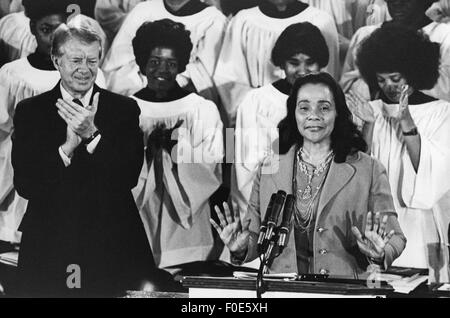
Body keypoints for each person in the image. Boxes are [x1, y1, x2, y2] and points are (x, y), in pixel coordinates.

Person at [11, 25, 173, 297]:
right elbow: (26, 184)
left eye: (92, 60)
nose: (84, 69)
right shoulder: (31, 111)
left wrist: (92, 135)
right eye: (75, 60)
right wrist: (66, 149)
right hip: (49, 243)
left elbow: (128, 176)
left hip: (111, 242)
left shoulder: (124, 109)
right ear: (56, 61)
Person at [212, 72, 406, 277]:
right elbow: (254, 236)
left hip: (343, 290)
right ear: (293, 113)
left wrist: (379, 253)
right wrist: (241, 247)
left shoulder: (368, 169)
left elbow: (396, 238)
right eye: (304, 108)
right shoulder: (269, 167)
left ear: (338, 113)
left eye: (324, 107)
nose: (314, 115)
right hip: (283, 291)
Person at [350, 22, 450, 282]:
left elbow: (434, 174)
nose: (389, 87)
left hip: (420, 225)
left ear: (414, 72)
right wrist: (369, 125)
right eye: (381, 80)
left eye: (396, 78)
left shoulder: (442, 112)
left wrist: (406, 121)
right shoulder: (369, 110)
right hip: (376, 226)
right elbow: (358, 173)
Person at [0, 0, 107, 245]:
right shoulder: (13, 73)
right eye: (45, 30)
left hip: (74, 159)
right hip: (27, 159)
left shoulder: (89, 74)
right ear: (33, 27)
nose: (52, 39)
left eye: (59, 32)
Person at [131, 19, 224, 273]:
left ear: (181, 65)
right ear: (142, 62)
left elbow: (213, 164)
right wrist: (146, 152)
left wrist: (176, 147)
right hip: (141, 216)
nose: (162, 70)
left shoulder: (201, 108)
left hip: (188, 225)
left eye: (171, 63)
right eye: (154, 62)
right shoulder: (127, 109)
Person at [232, 22, 329, 219]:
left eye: (310, 62)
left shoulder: (332, 101)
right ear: (282, 63)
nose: (302, 70)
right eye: (294, 62)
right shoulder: (256, 101)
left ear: (321, 63)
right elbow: (246, 165)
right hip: (269, 205)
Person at [213, 0, 339, 126]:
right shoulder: (244, 21)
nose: (302, 69)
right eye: (294, 63)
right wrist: (259, 109)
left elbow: (329, 75)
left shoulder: (321, 20)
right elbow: (230, 78)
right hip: (260, 120)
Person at [102, 0, 227, 104]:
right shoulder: (143, 10)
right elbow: (115, 66)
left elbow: (204, 80)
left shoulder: (214, 20)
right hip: (132, 101)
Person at [340, 0, 450, 103]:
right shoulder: (365, 34)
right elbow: (346, 91)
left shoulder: (445, 36)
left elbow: (445, 92)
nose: (397, 2)